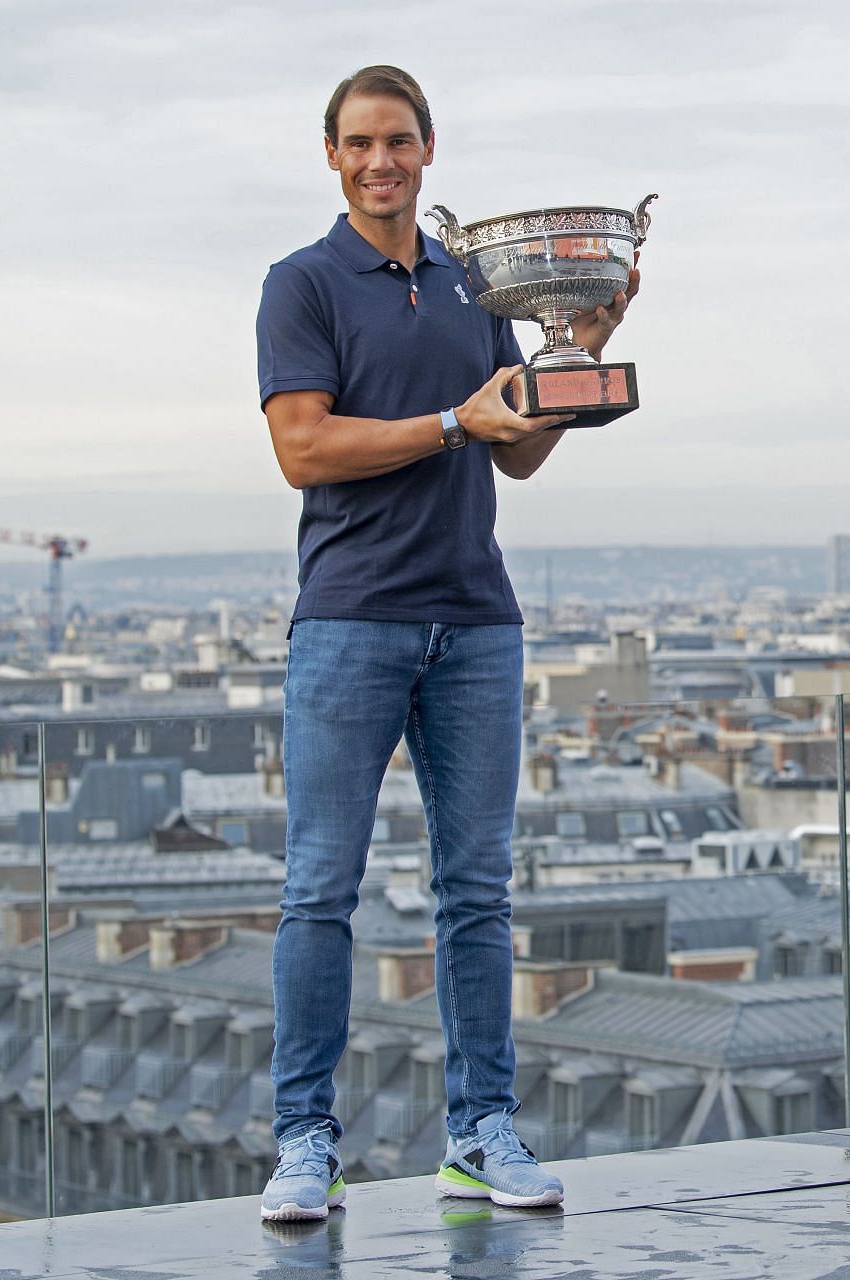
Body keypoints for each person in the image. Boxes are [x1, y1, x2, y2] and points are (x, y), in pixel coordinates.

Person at [253, 65, 637, 1223]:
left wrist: (574, 353)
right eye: (362, 143)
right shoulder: (302, 284)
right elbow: (303, 450)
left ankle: (482, 1132)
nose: (383, 162)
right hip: (352, 615)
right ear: (331, 155)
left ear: (429, 151)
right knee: (320, 888)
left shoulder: (480, 286)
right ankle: (304, 1140)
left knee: (477, 894)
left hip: (475, 615)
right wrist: (449, 421)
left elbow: (513, 450)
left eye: (401, 142)